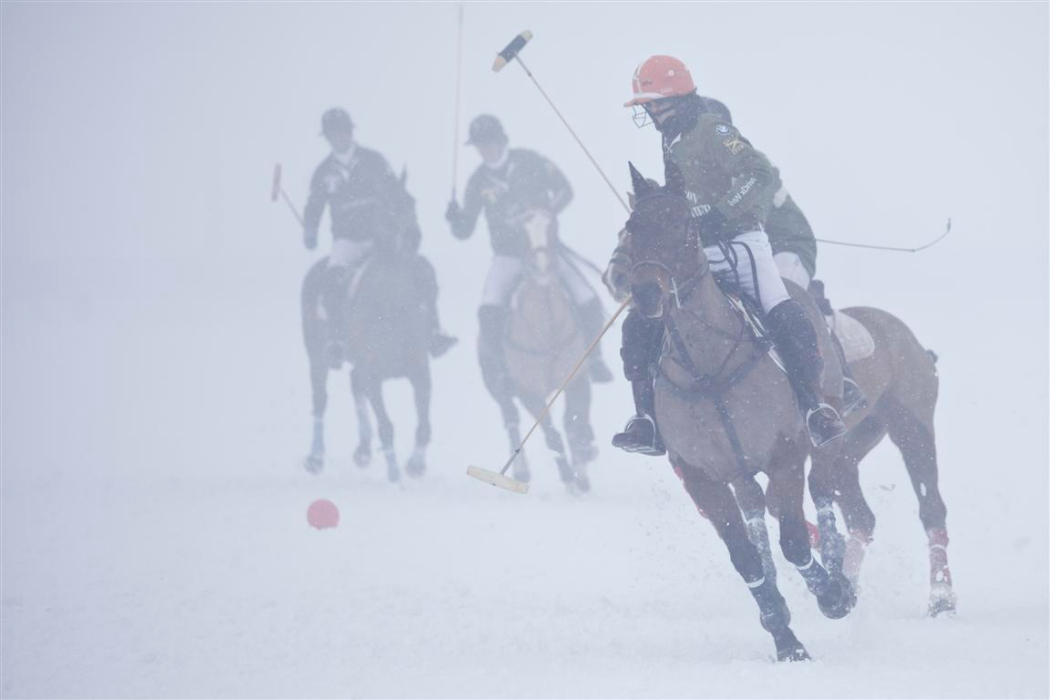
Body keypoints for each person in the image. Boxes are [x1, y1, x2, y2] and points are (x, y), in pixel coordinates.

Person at [610, 56, 847, 454]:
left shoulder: (711, 129)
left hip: (741, 242)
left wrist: (725, 214)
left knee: (781, 310)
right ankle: (646, 419)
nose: (649, 111)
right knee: (644, 319)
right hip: (698, 249)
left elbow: (759, 173)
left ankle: (814, 408)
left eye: (653, 102)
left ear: (677, 98)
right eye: (645, 105)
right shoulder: (670, 136)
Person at [446, 114, 612, 398]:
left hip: (546, 248)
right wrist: (455, 218)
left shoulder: (530, 161)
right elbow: (465, 230)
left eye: (490, 142)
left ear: (501, 140)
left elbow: (565, 190)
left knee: (588, 298)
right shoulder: (478, 182)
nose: (486, 149)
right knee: (489, 310)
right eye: (480, 145)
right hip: (509, 257)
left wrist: (547, 211)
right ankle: (500, 370)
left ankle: (594, 359)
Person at [304, 107, 455, 366]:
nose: (338, 138)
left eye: (342, 132)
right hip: (346, 241)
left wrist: (409, 229)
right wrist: (310, 228)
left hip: (380, 236)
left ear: (350, 132)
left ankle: (434, 331)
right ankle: (337, 339)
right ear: (327, 138)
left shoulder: (374, 161)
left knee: (421, 269)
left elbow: (398, 195)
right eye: (332, 134)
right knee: (332, 280)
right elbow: (315, 205)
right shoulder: (323, 172)